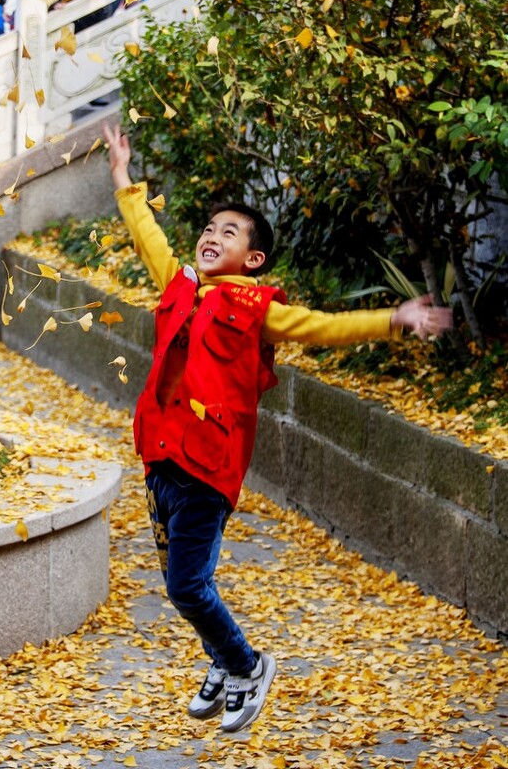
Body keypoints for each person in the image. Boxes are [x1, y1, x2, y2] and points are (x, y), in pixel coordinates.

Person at [102, 123, 452, 734]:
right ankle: (221, 660)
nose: (213, 237)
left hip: (208, 466)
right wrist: (123, 179)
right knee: (182, 583)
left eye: (229, 233)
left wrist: (392, 319)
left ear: (253, 258)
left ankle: (245, 664)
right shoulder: (179, 286)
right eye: (209, 229)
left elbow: (320, 327)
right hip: (159, 457)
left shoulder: (258, 309)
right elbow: (148, 236)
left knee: (188, 587)